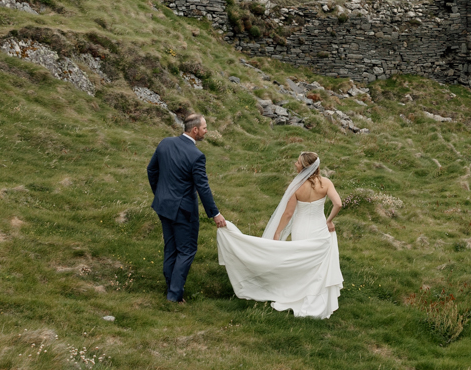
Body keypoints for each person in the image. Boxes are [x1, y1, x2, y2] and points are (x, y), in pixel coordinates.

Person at [215, 151, 344, 318]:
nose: (295, 164)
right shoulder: (326, 183)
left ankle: (301, 294)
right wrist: (329, 221)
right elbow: (338, 204)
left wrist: (278, 232)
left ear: (304, 167)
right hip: (319, 229)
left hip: (301, 230)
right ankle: (316, 298)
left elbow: (288, 214)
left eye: (298, 162)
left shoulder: (297, 187)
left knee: (302, 263)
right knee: (317, 266)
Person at [147, 113, 226, 303]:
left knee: (171, 248)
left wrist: (160, 193)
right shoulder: (196, 156)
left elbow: (151, 170)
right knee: (187, 250)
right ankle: (174, 296)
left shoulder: (165, 143)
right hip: (183, 210)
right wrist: (215, 213)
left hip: (163, 206)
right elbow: (203, 188)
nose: (207, 131)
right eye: (205, 128)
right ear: (195, 130)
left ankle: (171, 287)